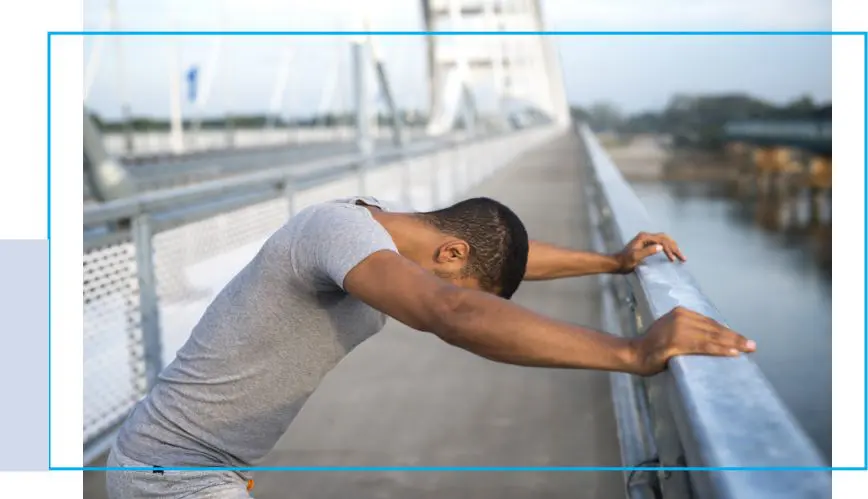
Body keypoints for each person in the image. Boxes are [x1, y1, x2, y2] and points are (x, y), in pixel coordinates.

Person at [105, 195, 755, 498]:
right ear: (447, 250)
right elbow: (452, 306)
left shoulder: (387, 230)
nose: (440, 278)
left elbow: (492, 262)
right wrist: (631, 352)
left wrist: (610, 261)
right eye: (453, 269)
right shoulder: (337, 231)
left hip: (207, 466)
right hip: (170, 471)